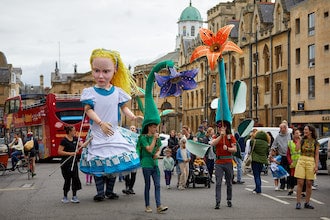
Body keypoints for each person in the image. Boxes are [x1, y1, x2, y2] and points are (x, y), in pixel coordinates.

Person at [80, 49, 142, 201]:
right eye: (96, 71)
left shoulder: (118, 92)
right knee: (99, 165)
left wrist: (133, 117)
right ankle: (100, 192)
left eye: (106, 71)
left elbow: (124, 107)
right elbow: (88, 110)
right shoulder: (90, 92)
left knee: (115, 163)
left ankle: (109, 191)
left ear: (115, 71)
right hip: (98, 133)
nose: (101, 76)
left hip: (113, 133)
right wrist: (100, 123)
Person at [137, 123, 168, 213]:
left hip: (155, 164)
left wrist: (158, 154)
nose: (155, 129)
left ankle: (159, 206)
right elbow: (149, 149)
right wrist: (154, 138)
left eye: (156, 127)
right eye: (154, 127)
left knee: (157, 185)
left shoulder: (157, 138)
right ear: (149, 127)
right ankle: (147, 205)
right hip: (146, 164)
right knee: (148, 185)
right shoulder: (143, 138)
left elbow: (158, 148)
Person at [58, 126, 92, 203]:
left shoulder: (75, 139)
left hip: (74, 162)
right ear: (69, 131)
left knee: (75, 179)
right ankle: (65, 196)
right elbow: (59, 151)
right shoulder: (64, 140)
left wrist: (90, 139)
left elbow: (83, 146)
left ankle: (74, 196)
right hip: (66, 163)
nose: (75, 132)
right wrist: (71, 153)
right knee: (67, 180)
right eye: (74, 130)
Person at [210, 121, 237, 209]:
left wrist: (228, 148)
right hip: (219, 162)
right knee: (218, 182)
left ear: (225, 128)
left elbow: (235, 149)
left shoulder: (230, 137)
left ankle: (229, 199)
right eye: (218, 127)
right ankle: (217, 202)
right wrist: (221, 136)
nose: (219, 128)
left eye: (221, 127)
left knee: (229, 182)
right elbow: (212, 143)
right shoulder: (216, 136)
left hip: (228, 161)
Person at [295, 125, 319, 210]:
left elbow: (316, 154)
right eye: (304, 129)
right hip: (301, 160)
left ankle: (307, 202)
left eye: (306, 130)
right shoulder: (302, 140)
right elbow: (296, 149)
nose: (304, 131)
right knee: (300, 182)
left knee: (309, 183)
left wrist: (316, 166)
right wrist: (299, 139)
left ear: (310, 131)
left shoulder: (315, 142)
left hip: (311, 161)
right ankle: (298, 202)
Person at [272, 122, 291, 190]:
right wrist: (273, 150)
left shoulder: (289, 135)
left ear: (285, 128)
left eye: (282, 128)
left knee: (289, 171)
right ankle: (282, 184)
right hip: (281, 156)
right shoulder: (278, 136)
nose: (281, 129)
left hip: (289, 156)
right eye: (280, 128)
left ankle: (289, 184)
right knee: (281, 171)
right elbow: (274, 145)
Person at [122, 125, 139, 194]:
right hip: (128, 158)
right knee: (126, 174)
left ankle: (131, 188)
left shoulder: (138, 138)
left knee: (133, 174)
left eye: (133, 128)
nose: (132, 129)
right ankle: (127, 187)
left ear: (135, 130)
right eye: (131, 128)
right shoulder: (126, 137)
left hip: (135, 158)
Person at [287, 128, 301, 195]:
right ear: (293, 135)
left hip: (301, 162)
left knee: (301, 176)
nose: (298, 134)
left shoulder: (302, 141)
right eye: (296, 133)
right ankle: (291, 189)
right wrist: (290, 161)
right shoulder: (290, 142)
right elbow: (288, 153)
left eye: (299, 133)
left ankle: (302, 191)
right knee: (292, 176)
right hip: (293, 162)